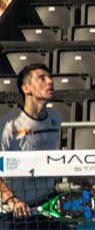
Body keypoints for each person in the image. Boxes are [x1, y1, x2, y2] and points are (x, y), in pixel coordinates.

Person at [0, 64, 71, 229]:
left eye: (50, 77)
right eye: (42, 78)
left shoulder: (55, 119)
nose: (50, 81)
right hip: (14, 211)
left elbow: (48, 158)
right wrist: (13, 201)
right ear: (26, 89)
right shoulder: (8, 126)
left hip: (48, 204)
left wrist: (76, 176)